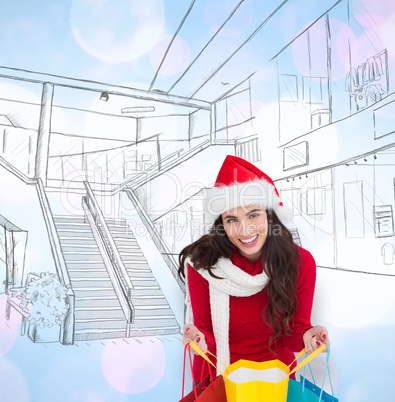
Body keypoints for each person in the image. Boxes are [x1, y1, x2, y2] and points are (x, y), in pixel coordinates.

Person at [178, 155, 330, 381]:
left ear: (270, 215)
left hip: (275, 378)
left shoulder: (299, 263)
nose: (244, 229)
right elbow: (207, 333)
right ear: (221, 224)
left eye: (253, 215)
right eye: (231, 219)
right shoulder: (203, 264)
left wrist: (308, 335)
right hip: (221, 377)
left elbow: (293, 334)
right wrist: (199, 339)